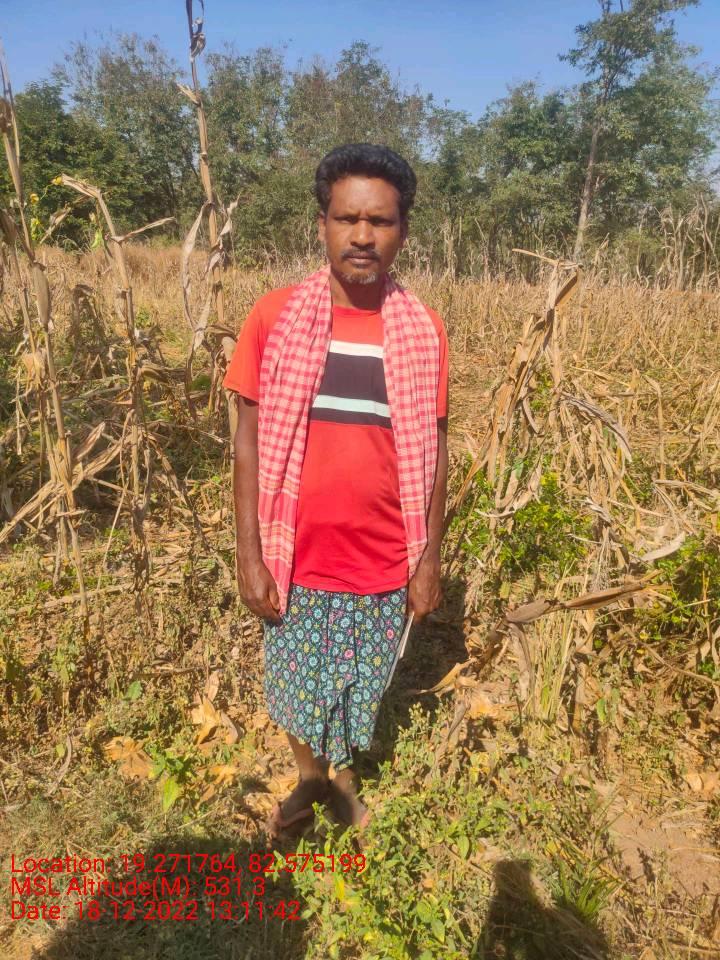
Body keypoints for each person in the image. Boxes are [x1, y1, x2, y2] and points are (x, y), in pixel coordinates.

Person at [223, 143, 449, 839]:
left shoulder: (422, 331)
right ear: (321, 224)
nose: (362, 235)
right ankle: (309, 780)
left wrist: (429, 557)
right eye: (347, 218)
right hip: (295, 554)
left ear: (402, 231)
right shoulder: (274, 318)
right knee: (296, 687)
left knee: (362, 685)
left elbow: (436, 448)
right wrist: (249, 554)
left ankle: (344, 782)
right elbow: (246, 442)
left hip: (383, 555)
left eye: (380, 221)